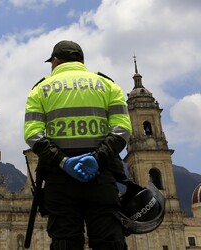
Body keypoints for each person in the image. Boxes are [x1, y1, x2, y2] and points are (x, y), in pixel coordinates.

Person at [24, 40, 132, 250]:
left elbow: (33, 135)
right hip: (101, 177)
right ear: (82, 61)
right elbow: (122, 130)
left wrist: (63, 162)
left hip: (60, 178)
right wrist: (97, 159)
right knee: (109, 241)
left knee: (65, 241)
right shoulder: (108, 85)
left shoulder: (40, 90)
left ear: (55, 61)